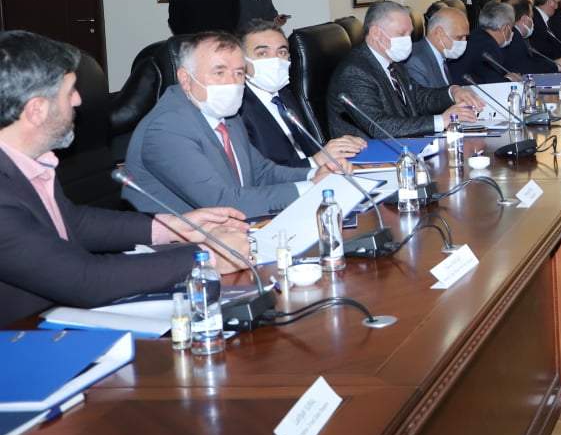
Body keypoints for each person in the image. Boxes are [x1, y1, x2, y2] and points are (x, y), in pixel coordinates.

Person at [0, 31, 251, 326]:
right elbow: (85, 281)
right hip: (25, 336)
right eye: (69, 92)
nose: (79, 100)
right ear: (37, 110)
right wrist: (206, 258)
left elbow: (73, 222)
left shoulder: (30, 160)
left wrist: (176, 227)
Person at [124, 32, 329, 218]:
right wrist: (310, 188)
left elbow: (262, 172)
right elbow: (222, 202)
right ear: (185, 79)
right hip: (179, 243)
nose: (232, 83)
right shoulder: (167, 128)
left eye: (238, 73)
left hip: (233, 230)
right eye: (219, 73)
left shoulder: (225, 113)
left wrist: (317, 173)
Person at [327, 0, 481, 141]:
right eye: (401, 34)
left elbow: (418, 98)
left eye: (410, 34)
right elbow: (378, 126)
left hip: (403, 144)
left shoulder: (393, 62)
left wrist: (452, 92)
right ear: (376, 33)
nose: (408, 40)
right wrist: (442, 120)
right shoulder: (354, 72)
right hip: (370, 153)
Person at [236, 20, 365, 171]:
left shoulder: (285, 95)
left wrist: (338, 146)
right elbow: (261, 174)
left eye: (281, 52)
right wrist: (315, 161)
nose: (275, 60)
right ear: (241, 61)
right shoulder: (238, 110)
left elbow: (304, 149)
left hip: (317, 174)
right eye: (262, 53)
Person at [405, 5, 470, 90]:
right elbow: (424, 97)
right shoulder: (416, 61)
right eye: (459, 37)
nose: (464, 42)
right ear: (439, 33)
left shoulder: (441, 56)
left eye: (466, 37)